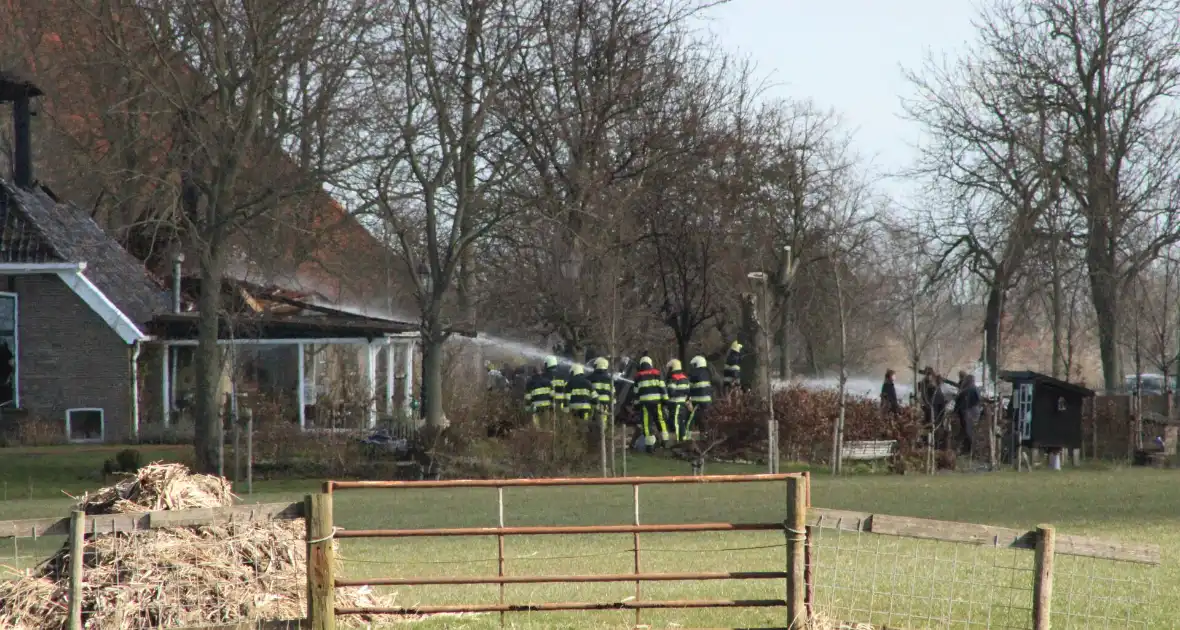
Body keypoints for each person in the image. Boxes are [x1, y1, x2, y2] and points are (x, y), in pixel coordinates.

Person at [632, 356, 668, 451]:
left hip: (645, 404)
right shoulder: (657, 373)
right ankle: (665, 441)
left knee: (647, 424)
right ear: (650, 363)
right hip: (657, 402)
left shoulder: (638, 376)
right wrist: (665, 400)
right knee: (660, 420)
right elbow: (663, 388)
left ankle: (649, 446)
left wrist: (636, 405)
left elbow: (636, 392)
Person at [955, 373, 982, 456]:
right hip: (975, 410)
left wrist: (955, 411)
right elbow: (979, 400)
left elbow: (959, 402)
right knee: (971, 430)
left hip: (968, 411)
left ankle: (970, 450)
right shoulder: (976, 389)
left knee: (968, 430)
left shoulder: (965, 390)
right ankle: (970, 450)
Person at [687, 355, 713, 440]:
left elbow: (688, 387)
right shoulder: (708, 372)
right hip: (708, 400)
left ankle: (690, 437)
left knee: (693, 418)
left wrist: (687, 399)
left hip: (697, 400)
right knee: (705, 418)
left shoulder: (694, 373)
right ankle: (706, 435)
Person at [664, 359, 690, 444]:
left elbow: (671, 392)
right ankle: (684, 441)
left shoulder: (673, 378)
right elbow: (688, 391)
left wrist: (666, 388)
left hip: (675, 404)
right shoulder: (684, 377)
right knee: (681, 423)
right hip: (682, 403)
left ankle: (680, 443)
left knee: (676, 423)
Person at [589, 357, 615, 435]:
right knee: (603, 426)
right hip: (605, 406)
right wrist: (613, 405)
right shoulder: (610, 379)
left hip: (592, 405)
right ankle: (601, 439)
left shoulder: (590, 378)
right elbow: (613, 394)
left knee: (590, 424)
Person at [566, 363, 595, 428]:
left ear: (574, 371)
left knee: (574, 426)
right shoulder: (588, 383)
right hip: (585, 409)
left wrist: (566, 410)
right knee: (584, 426)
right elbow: (595, 398)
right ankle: (583, 436)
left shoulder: (570, 383)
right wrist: (595, 408)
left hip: (573, 408)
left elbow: (567, 398)